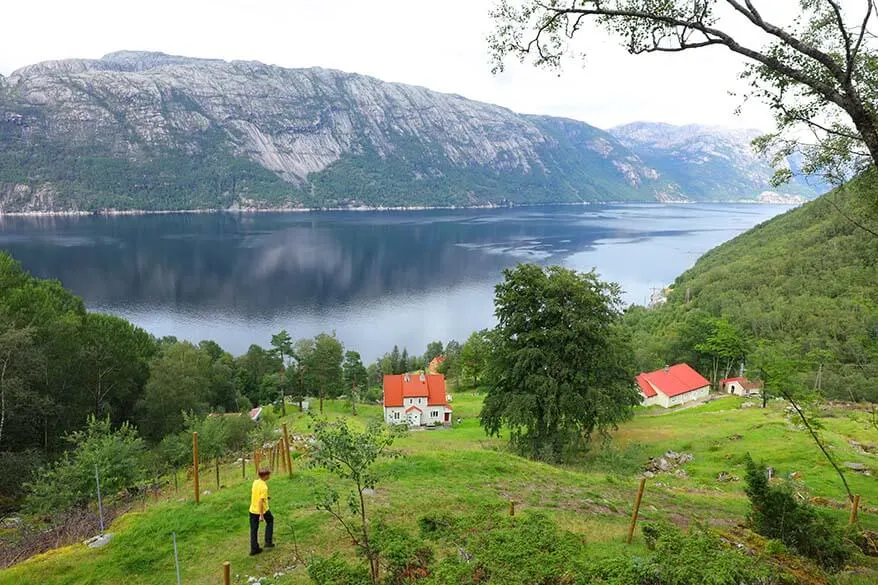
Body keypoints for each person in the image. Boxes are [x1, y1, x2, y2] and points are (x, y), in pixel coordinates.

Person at [249, 468, 274, 555]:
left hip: (252, 510)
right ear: (265, 476)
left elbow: (257, 494)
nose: (269, 476)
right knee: (270, 521)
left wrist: (266, 497)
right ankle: (268, 542)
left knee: (253, 530)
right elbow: (260, 501)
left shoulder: (255, 482)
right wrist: (261, 515)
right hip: (262, 510)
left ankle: (254, 549)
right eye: (268, 475)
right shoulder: (264, 486)